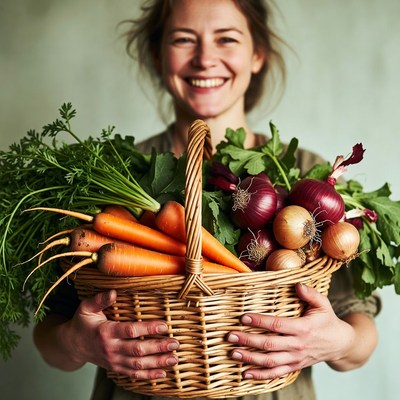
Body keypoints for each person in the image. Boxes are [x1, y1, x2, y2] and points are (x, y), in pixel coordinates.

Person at [33, 1, 381, 399]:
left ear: (257, 55)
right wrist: (78, 343)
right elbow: (50, 337)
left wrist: (338, 343)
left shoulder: (302, 175)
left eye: (226, 39)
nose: (204, 59)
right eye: (183, 39)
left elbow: (359, 331)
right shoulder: (111, 176)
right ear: (157, 53)